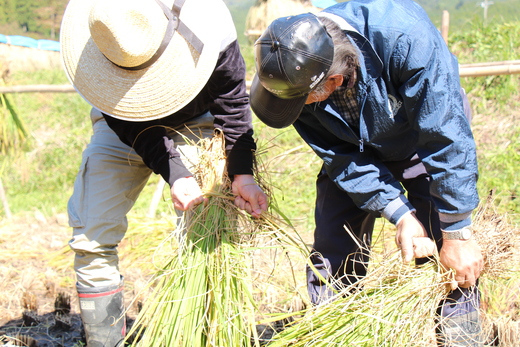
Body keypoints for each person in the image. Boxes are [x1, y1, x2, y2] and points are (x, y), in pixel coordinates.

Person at [250, 0, 483, 346]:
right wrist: (399, 213)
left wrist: (458, 231)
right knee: (333, 241)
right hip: (354, 148)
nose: (299, 110)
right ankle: (332, 326)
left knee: (447, 240)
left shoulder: (403, 37)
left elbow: (444, 133)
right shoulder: (294, 79)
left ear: (334, 80)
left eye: (303, 102)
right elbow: (341, 157)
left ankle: (459, 329)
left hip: (422, 137)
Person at [60, 0, 268, 345]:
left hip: (195, 123)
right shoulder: (104, 34)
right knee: (91, 235)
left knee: (206, 232)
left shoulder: (211, 27)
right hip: (122, 127)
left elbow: (232, 103)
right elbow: (134, 128)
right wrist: (175, 171)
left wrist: (242, 174)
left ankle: (203, 336)